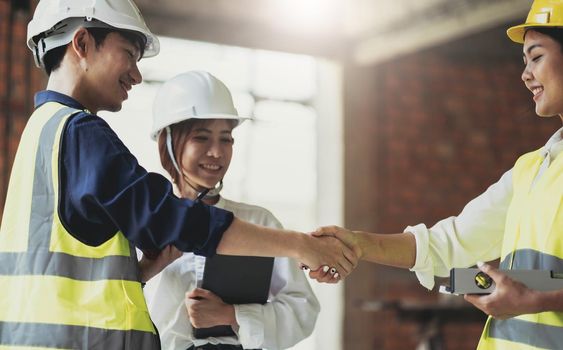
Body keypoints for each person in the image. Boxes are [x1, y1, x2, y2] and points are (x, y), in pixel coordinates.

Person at [0, 1, 355, 349]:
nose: (137, 75)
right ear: (82, 44)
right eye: (128, 53)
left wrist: (142, 274)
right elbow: (168, 218)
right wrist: (301, 245)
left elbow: (67, 282)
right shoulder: (80, 132)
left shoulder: (42, 131)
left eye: (226, 138)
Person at [312, 0, 563, 348]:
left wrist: (535, 301)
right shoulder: (531, 169)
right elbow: (450, 242)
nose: (525, 74)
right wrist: (357, 243)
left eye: (536, 57)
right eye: (524, 62)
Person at [144, 71, 320, 350]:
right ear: (167, 141)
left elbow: (303, 309)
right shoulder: (144, 222)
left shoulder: (257, 222)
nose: (217, 152)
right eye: (202, 138)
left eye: (226, 139)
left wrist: (234, 316)